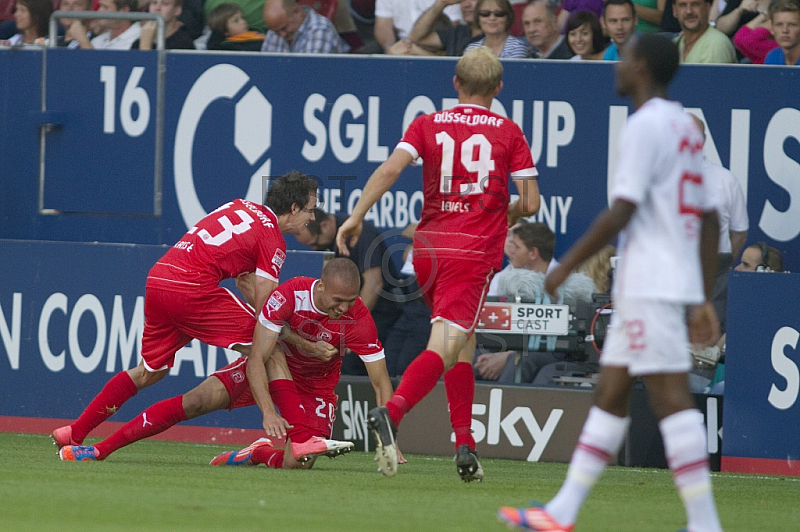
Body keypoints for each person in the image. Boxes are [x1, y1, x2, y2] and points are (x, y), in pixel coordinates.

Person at [498, 34, 723, 532]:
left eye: (623, 59)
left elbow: (623, 208)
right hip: (662, 280)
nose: (616, 67)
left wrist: (565, 264)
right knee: (611, 391)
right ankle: (562, 511)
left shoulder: (646, 126)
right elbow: (708, 219)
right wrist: (702, 293)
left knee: (668, 397)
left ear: (640, 67)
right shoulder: (686, 128)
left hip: (651, 280)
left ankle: (705, 522)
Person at [336, 46, 541, 481]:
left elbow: (391, 170)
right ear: (499, 87)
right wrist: (507, 214)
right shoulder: (508, 132)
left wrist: (356, 215)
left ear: (456, 84)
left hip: (427, 254)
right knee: (445, 344)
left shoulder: (428, 122)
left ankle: (465, 444)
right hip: (471, 254)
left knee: (460, 346)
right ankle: (392, 413)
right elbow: (531, 201)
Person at [51, 171, 319, 450]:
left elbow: (243, 280)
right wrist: (300, 341)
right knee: (270, 348)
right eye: (311, 210)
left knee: (149, 372)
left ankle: (74, 432)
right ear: (294, 208)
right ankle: (301, 438)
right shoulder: (273, 239)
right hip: (191, 289)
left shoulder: (240, 205)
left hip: (159, 278)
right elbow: (268, 314)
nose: (312, 218)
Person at [59, 259, 389, 467]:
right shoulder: (289, 294)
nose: (345, 308)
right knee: (197, 401)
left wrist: (388, 440)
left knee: (297, 463)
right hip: (273, 369)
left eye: (350, 301)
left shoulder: (358, 319)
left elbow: (380, 381)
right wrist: (268, 411)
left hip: (315, 388)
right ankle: (101, 449)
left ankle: (257, 453)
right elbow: (258, 356)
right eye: (338, 301)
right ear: (322, 286)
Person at [374, 0, 462, 53]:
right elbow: (383, 24)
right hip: (401, 45)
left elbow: (452, 29)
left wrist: (414, 50)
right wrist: (391, 48)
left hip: (436, 45)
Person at [261, 0, 348, 53]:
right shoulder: (276, 29)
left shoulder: (319, 29)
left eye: (284, 28)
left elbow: (311, 73)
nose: (282, 34)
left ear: (297, 11)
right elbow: (266, 68)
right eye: (277, 31)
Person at [406, 0, 483, 56]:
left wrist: (416, 51)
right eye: (461, 0)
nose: (466, 5)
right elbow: (416, 37)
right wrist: (441, 3)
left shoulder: (492, 35)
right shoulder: (457, 32)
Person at [673, 0, 737, 63]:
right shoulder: (673, 45)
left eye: (695, 4)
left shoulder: (717, 44)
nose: (689, 11)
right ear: (674, 9)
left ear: (707, 7)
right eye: (682, 5)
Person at [464, 0, 530, 57]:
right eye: (485, 14)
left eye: (499, 13)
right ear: (478, 18)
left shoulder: (517, 47)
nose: (492, 18)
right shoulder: (471, 49)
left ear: (508, 18)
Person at [69, 0, 141, 50]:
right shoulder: (98, 40)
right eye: (100, 6)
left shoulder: (138, 38)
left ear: (124, 11)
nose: (99, 11)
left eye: (105, 7)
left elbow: (98, 68)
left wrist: (83, 40)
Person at [764, 0, 800, 65]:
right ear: (772, 29)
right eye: (779, 25)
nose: (785, 30)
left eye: (792, 24)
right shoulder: (772, 57)